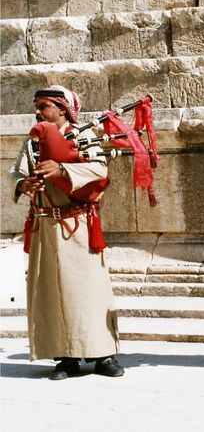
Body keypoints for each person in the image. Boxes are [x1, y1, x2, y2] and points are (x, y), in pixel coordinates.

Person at [9, 85, 123, 380]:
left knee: (89, 291)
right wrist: (24, 185)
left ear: (61, 109)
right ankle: (66, 358)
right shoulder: (32, 141)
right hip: (45, 226)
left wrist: (62, 171)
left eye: (43, 105)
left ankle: (102, 355)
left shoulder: (84, 136)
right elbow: (16, 173)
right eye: (36, 105)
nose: (37, 111)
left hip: (78, 224)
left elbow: (100, 169)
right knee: (52, 292)